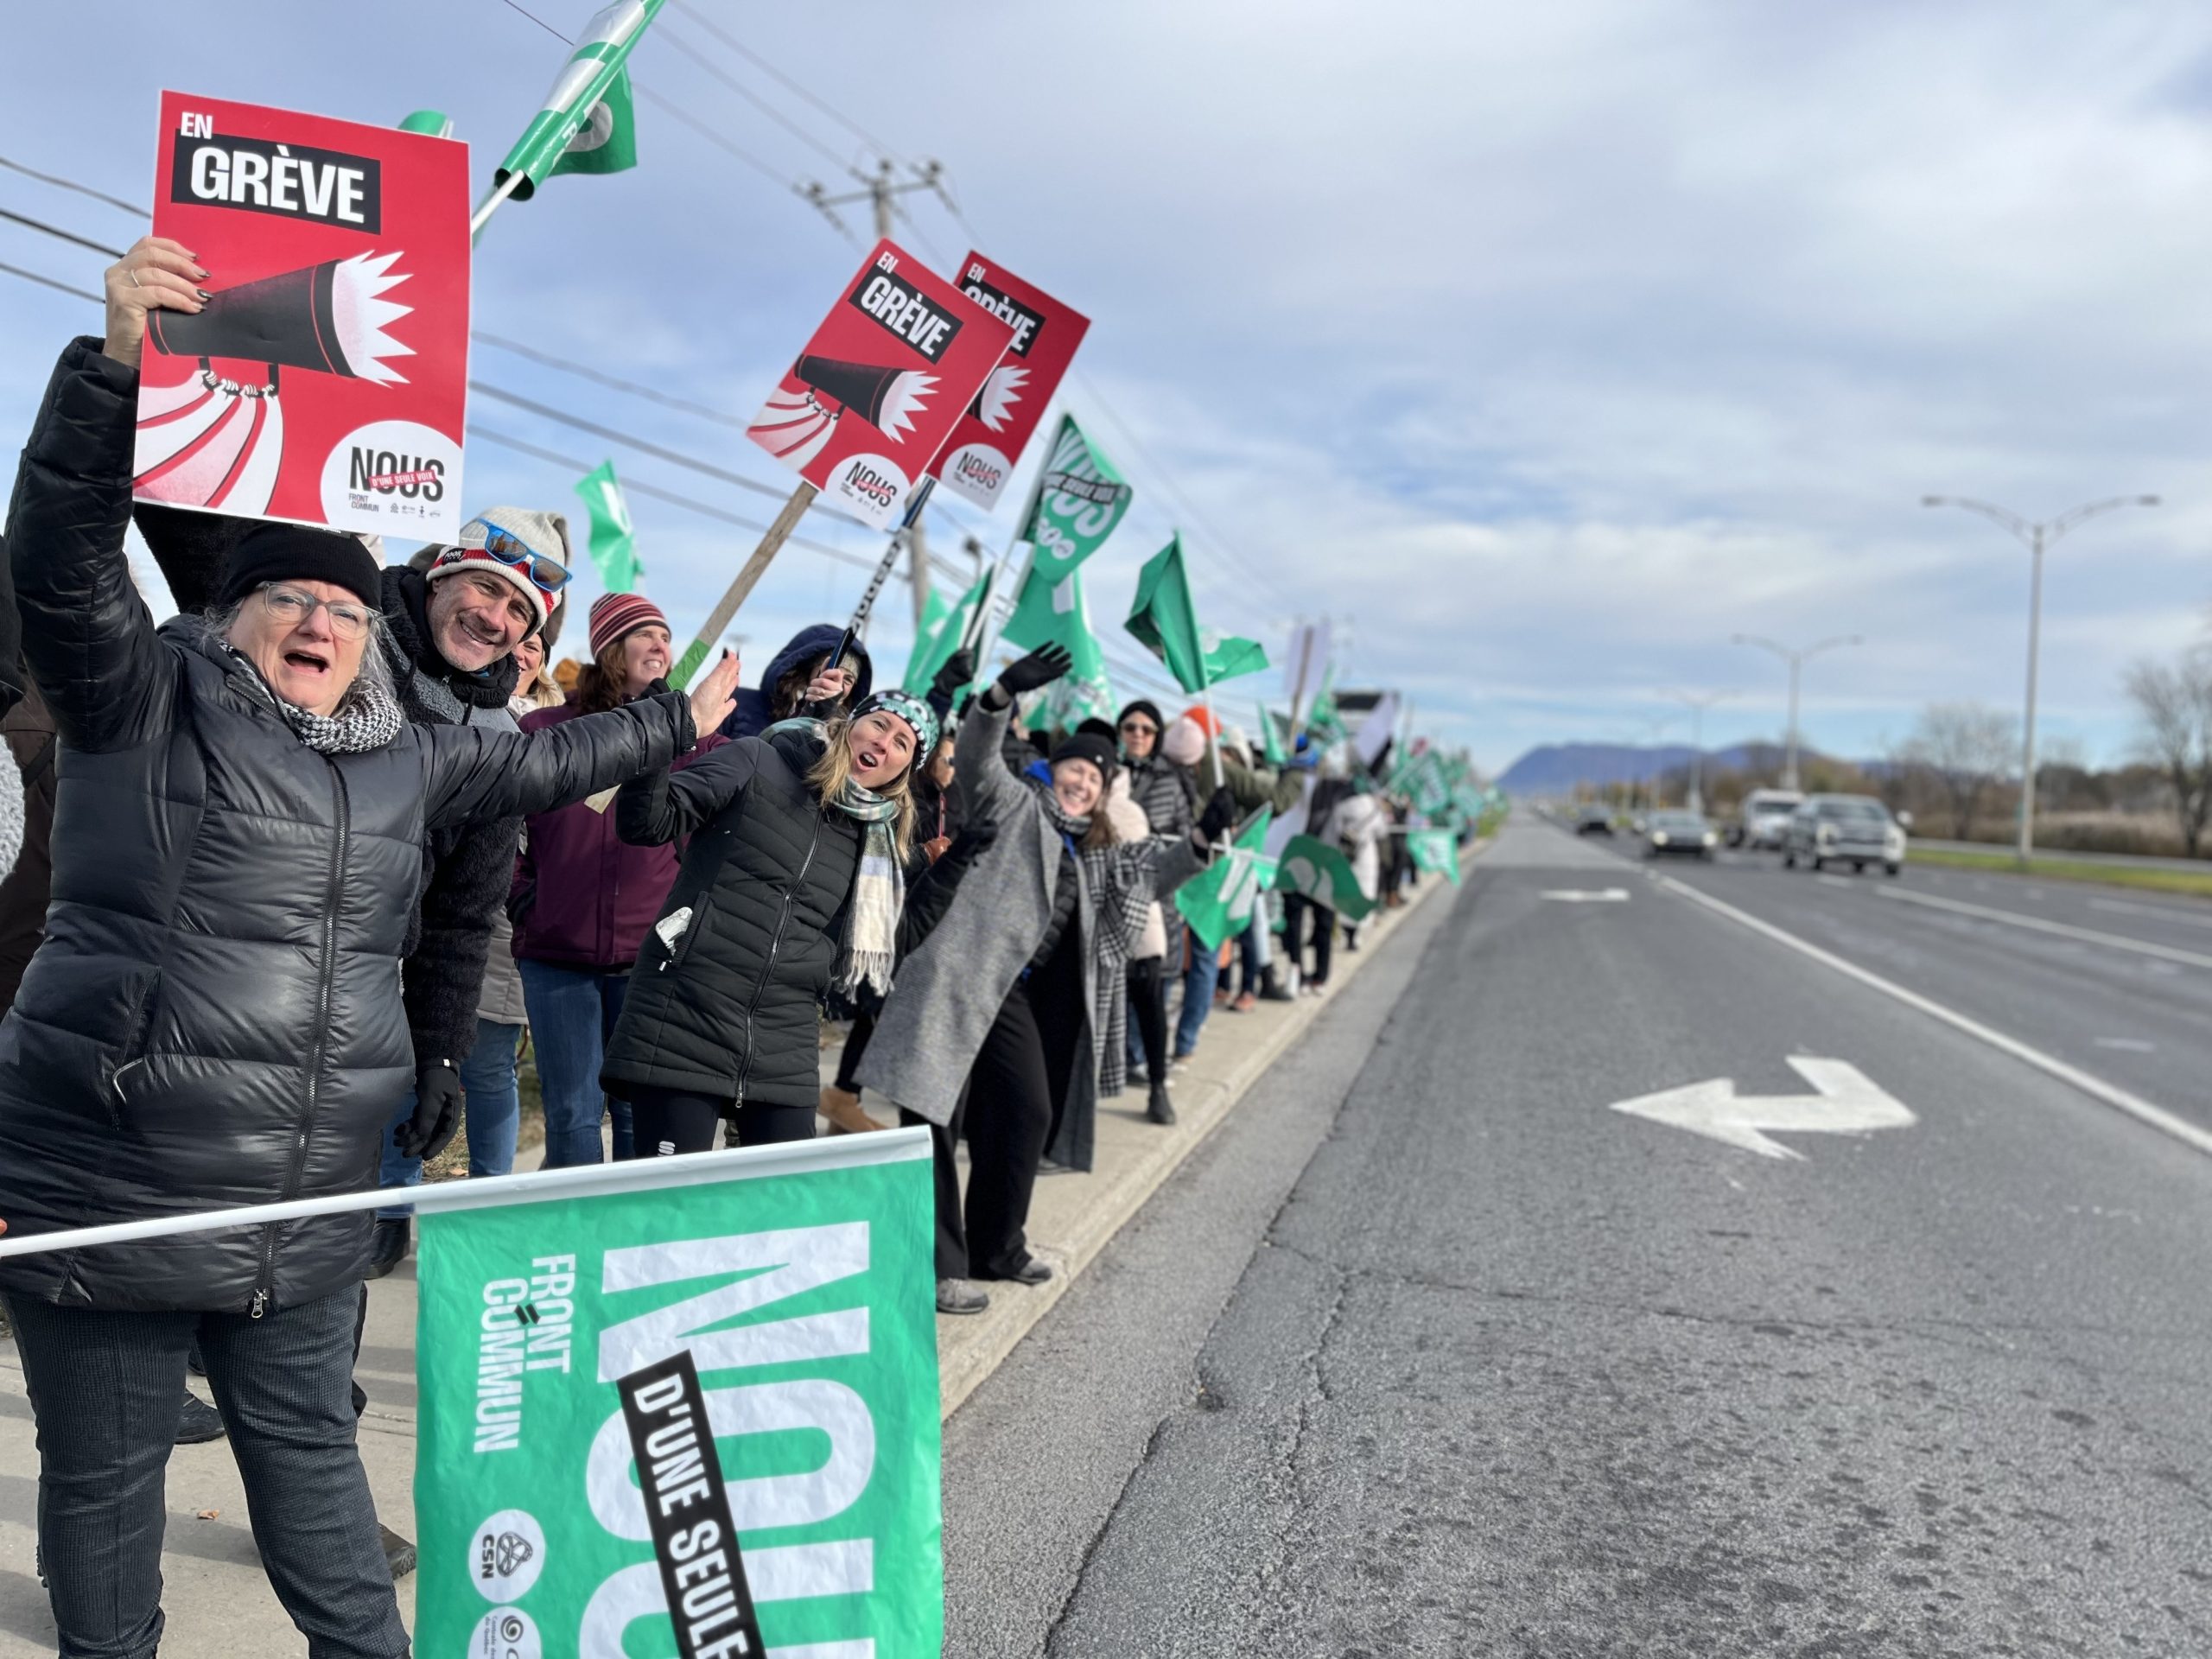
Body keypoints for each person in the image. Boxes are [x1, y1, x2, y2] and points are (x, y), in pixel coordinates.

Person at [0, 256, 696, 1659]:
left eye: (339, 606)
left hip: (306, 1213)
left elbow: (557, 768)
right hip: (117, 1197)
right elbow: (65, 560)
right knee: (106, 1498)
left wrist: (681, 720)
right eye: (288, 603)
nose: (318, 618)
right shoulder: (142, 700)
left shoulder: (413, 759)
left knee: (317, 1484)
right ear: (229, 624)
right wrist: (118, 369)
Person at [140, 483, 582, 1279]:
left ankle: (300, 1378)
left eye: (522, 611)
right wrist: (147, 408)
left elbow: (459, 919)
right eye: (486, 585)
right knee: (182, 1239)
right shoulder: (342, 621)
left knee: (313, 1270)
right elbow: (208, 555)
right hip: (218, 984)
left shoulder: (493, 736)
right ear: (441, 571)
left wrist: (441, 1057)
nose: (497, 618)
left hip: (353, 1014)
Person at [861, 646, 1234, 1314]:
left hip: (1011, 995)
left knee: (1029, 1108)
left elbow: (1154, 874)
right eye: (1075, 768)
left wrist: (1204, 840)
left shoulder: (1095, 847)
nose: (1083, 781)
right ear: (1053, 769)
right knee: (934, 1121)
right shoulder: (1011, 800)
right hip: (951, 976)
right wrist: (1000, 692)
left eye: (1096, 776)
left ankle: (996, 1246)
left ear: (1104, 790)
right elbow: (975, 753)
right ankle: (940, 1265)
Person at [603, 685, 981, 1155]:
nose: (885, 742)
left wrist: (948, 866)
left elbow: (889, 942)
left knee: (783, 1212)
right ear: (850, 725)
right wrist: (657, 736)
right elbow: (646, 822)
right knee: (672, 1214)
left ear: (904, 770)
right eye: (880, 724)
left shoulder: (876, 845)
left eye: (903, 743)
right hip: (685, 1013)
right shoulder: (759, 761)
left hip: (785, 1039)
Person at [513, 592, 740, 1166]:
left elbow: (751, 777)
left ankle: (637, 1244)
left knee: (642, 1113)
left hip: (649, 961)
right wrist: (527, 902)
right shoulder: (548, 728)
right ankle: (573, 1242)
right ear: (611, 648)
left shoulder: (693, 741)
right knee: (573, 1115)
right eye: (646, 634)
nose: (662, 644)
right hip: (555, 957)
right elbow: (505, 831)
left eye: (667, 635)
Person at [721, 620, 870, 739]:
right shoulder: (736, 702)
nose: (837, 682)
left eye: (849, 679)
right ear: (809, 668)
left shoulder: (842, 741)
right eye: (831, 670)